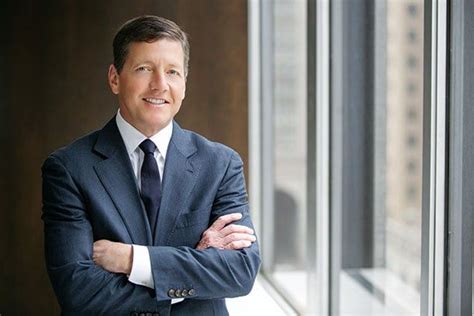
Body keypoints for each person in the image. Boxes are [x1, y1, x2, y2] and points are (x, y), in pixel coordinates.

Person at [41, 15, 260, 315]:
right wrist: (192, 269)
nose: (160, 85)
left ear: (184, 83)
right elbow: (78, 292)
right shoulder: (68, 169)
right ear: (115, 78)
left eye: (172, 72)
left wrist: (134, 260)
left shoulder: (221, 164)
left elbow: (240, 272)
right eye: (144, 69)